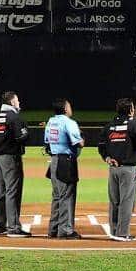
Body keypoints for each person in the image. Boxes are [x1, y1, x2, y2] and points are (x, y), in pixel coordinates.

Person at [98, 97, 136, 241]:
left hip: (113, 168)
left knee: (114, 200)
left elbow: (101, 146)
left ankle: (114, 231)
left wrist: (107, 158)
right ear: (131, 110)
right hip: (129, 169)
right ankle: (122, 233)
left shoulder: (109, 126)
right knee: (127, 201)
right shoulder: (134, 125)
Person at [43, 97, 84, 238]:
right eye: (69, 106)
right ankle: (66, 230)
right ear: (65, 109)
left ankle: (53, 229)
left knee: (57, 196)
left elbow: (47, 143)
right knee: (67, 195)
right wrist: (82, 139)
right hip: (66, 162)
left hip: (53, 161)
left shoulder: (50, 121)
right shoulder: (69, 123)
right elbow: (78, 143)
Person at [0, 92, 28, 236]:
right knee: (13, 191)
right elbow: (21, 137)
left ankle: (0, 225)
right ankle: (13, 227)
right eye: (17, 100)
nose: (19, 102)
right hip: (11, 158)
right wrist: (26, 132)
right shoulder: (14, 117)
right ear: (12, 102)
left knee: (0, 192)